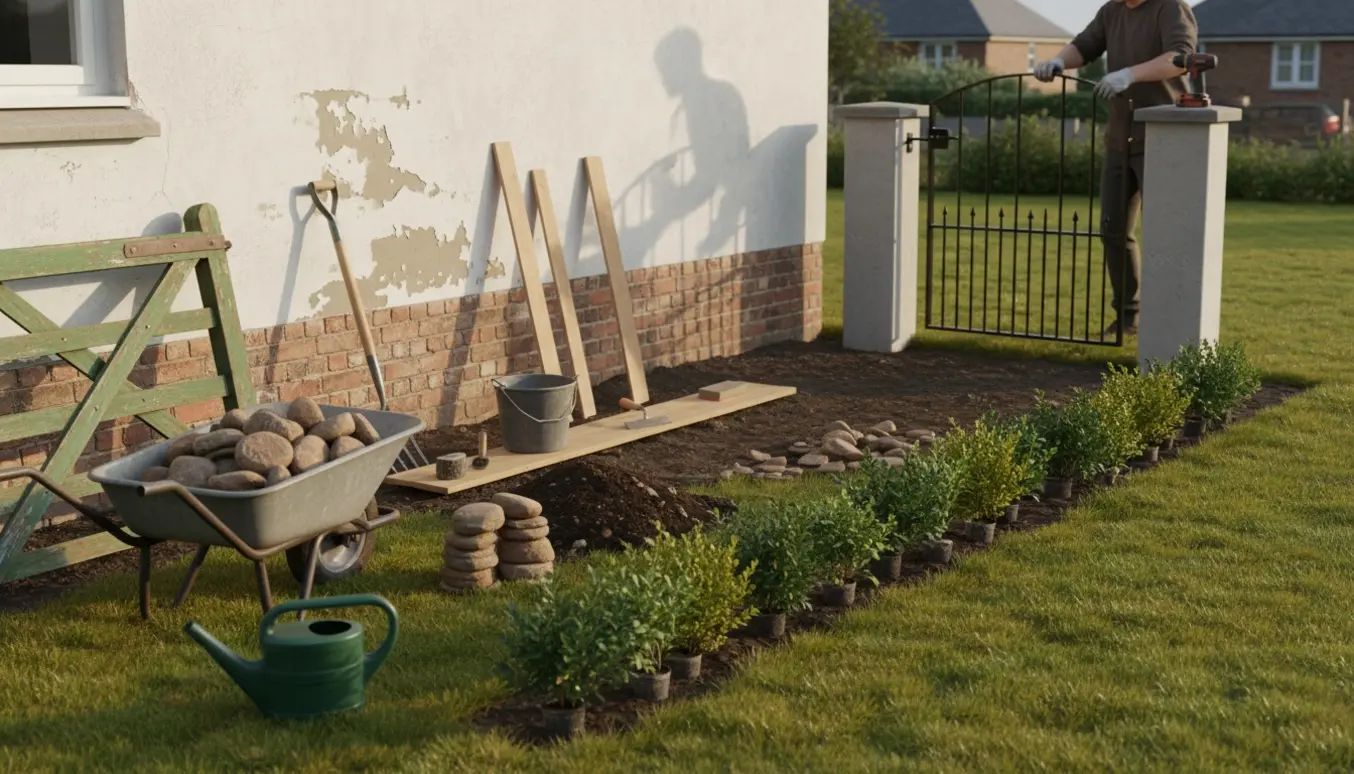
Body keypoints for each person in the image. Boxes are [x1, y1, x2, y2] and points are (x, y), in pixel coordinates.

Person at [1033, 0, 1199, 336]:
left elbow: (1180, 58)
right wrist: (1057, 61)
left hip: (1164, 139)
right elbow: (1085, 45)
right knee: (1113, 231)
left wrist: (1129, 74)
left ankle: (1171, 317)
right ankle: (1128, 316)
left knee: (1168, 235)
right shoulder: (1112, 11)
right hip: (1120, 139)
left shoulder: (1170, 7)